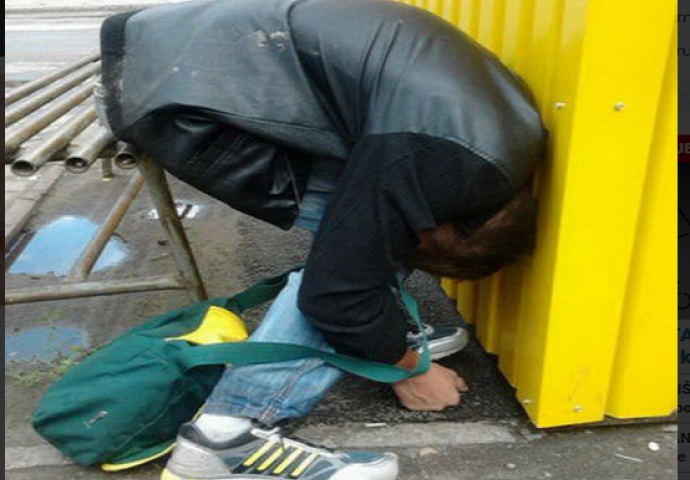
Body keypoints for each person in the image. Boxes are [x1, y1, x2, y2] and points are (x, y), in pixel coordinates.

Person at [98, 0, 546, 479]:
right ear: (463, 225)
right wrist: (408, 367)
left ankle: (374, 330)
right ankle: (230, 435)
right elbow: (336, 293)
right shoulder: (439, 161)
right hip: (172, 93)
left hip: (171, 57)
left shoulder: (500, 140)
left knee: (367, 241)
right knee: (350, 274)